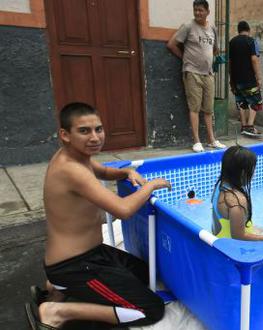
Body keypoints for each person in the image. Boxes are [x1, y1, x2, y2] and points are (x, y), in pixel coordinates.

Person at [27, 103, 171, 329]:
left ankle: (57, 289)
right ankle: (56, 311)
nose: (95, 137)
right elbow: (122, 210)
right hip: (73, 264)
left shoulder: (77, 155)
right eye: (84, 131)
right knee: (150, 309)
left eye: (99, 129)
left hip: (92, 254)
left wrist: (126, 172)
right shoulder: (71, 170)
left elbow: (103, 171)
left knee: (142, 273)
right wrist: (151, 185)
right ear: (65, 135)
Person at [167, 0, 226, 152]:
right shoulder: (188, 26)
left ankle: (212, 140)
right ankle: (197, 141)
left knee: (208, 109)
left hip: (209, 74)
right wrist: (185, 59)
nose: (198, 13)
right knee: (194, 107)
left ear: (208, 12)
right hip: (192, 73)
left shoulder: (212, 27)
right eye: (195, 10)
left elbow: (215, 49)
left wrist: (210, 61)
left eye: (201, 10)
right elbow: (171, 44)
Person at [212, 146, 263, 240]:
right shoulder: (237, 202)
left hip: (218, 236)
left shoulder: (220, 185)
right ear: (243, 173)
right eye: (253, 170)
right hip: (230, 246)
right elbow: (238, 236)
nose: (254, 174)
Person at [229, 21, 263, 138]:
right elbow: (254, 59)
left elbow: (230, 62)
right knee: (256, 101)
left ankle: (243, 126)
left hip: (236, 79)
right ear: (248, 30)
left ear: (238, 30)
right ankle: (250, 126)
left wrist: (231, 79)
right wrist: (258, 78)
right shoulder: (251, 41)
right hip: (249, 78)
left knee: (241, 101)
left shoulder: (232, 42)